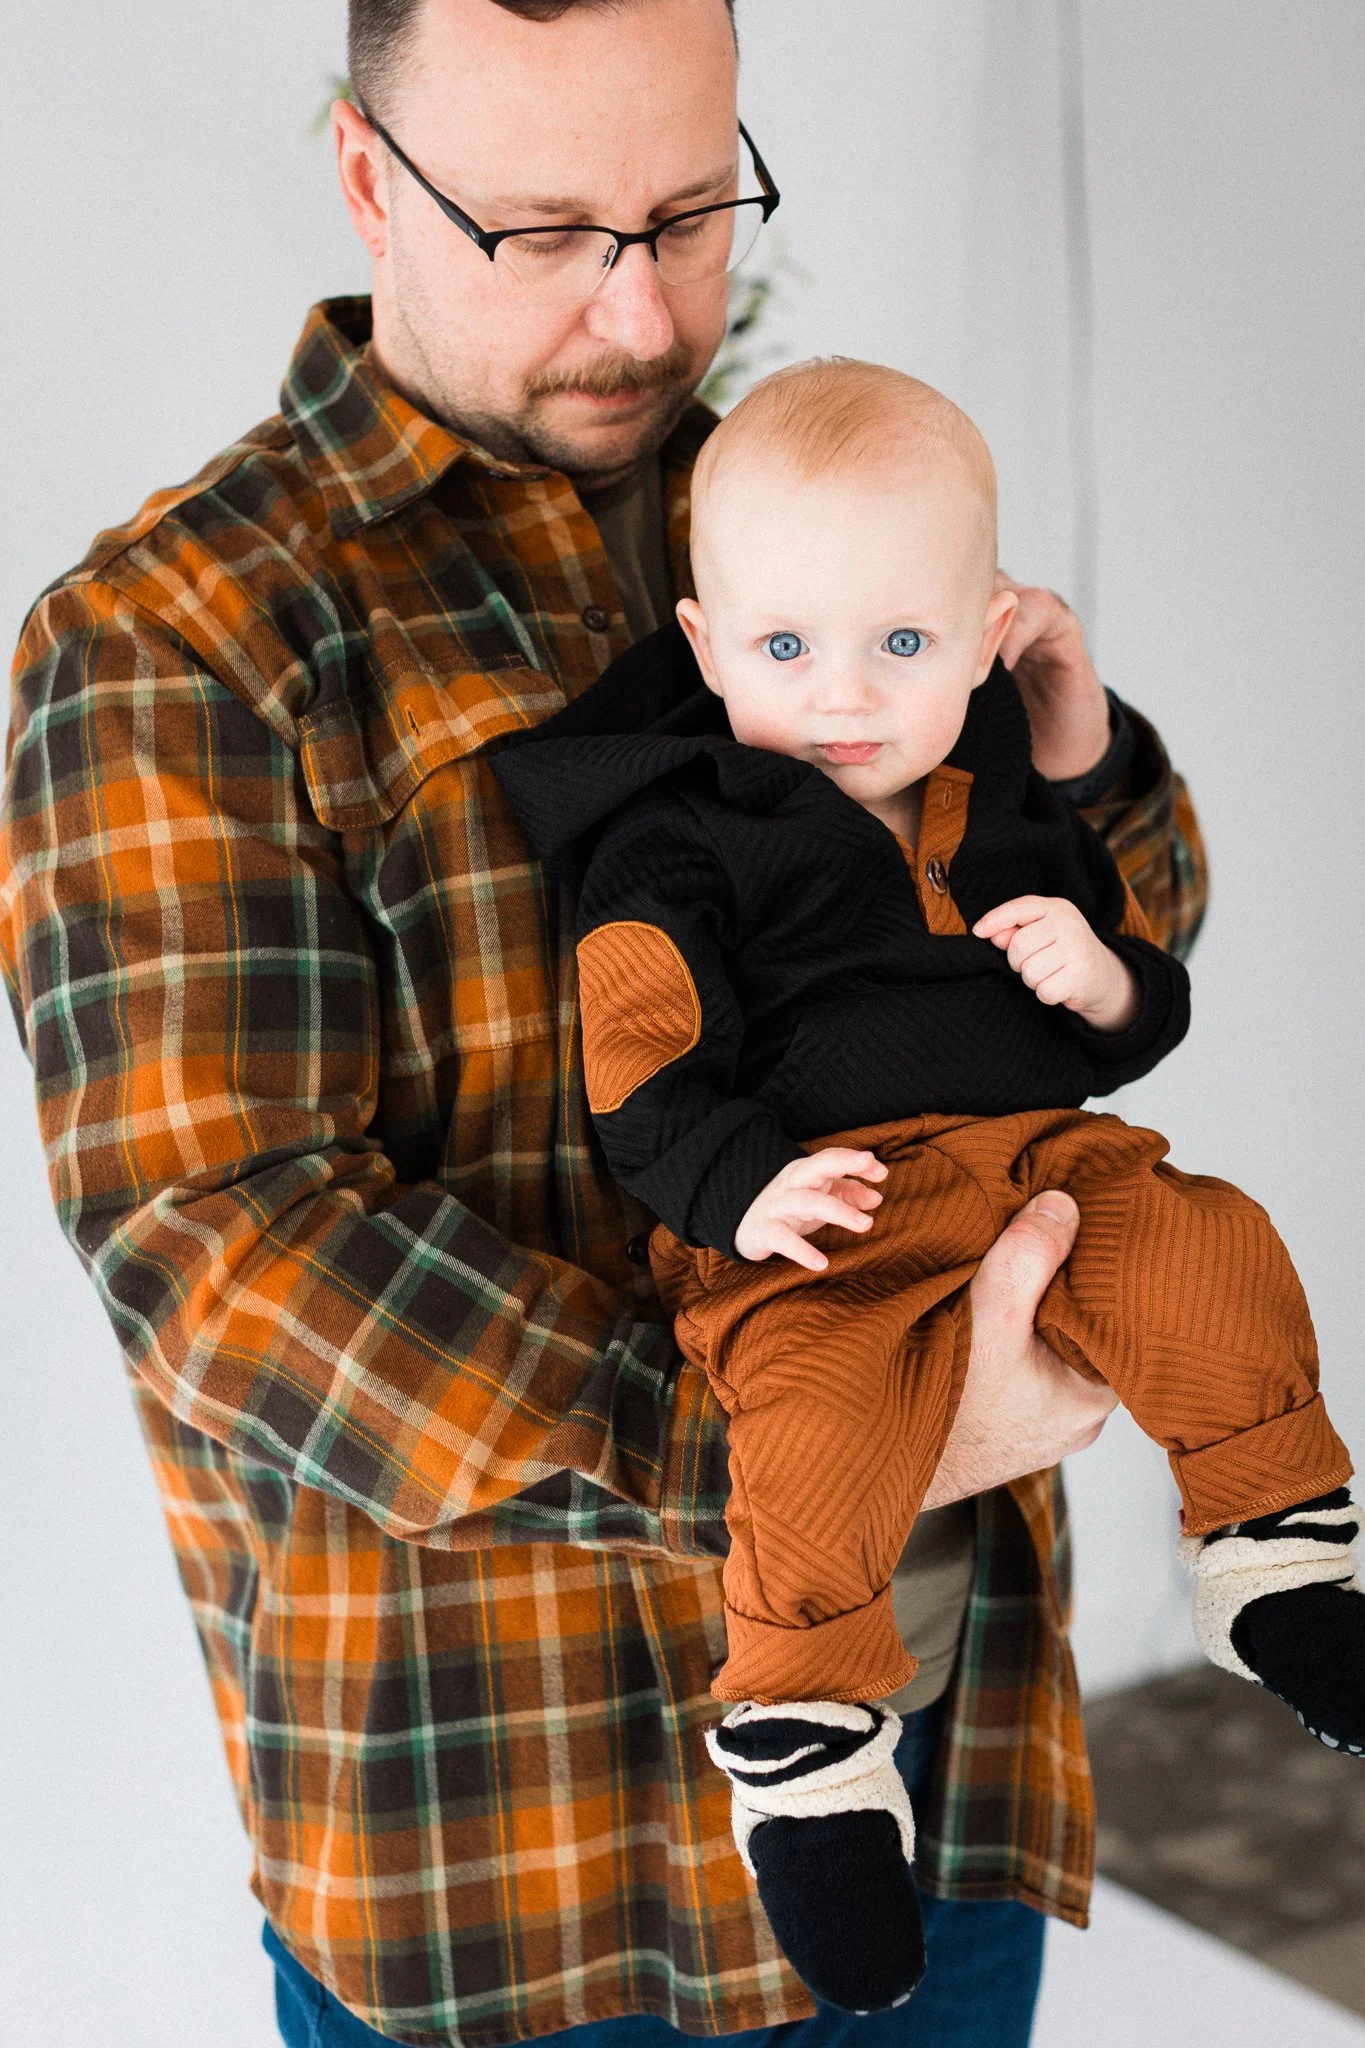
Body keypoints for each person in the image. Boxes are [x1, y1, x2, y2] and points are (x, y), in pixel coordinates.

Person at [0, 3, 1207, 2044]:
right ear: (373, 177)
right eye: (546, 231)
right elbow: (221, 1241)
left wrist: (1071, 772)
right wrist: (814, 1440)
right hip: (523, 1870)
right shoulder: (176, 638)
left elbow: (1115, 955)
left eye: (683, 211)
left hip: (937, 1748)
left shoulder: (819, 496)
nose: (640, 313)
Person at [492, 356, 1363, 2014]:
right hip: (824, 1221)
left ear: (982, 638)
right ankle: (807, 1742)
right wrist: (741, 1185)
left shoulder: (1011, 811)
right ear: (705, 650)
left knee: (1209, 1245)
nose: (845, 694)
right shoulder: (680, 839)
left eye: (902, 645)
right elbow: (642, 1055)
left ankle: (1276, 1547)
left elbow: (1137, 1031)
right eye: (785, 648)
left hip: (1041, 1161)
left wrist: (1097, 973)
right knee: (813, 1421)